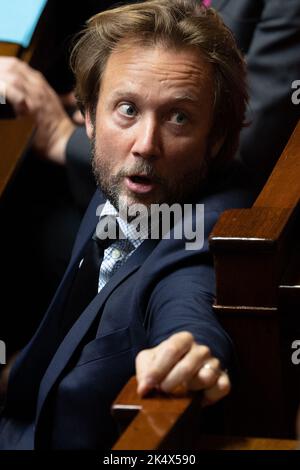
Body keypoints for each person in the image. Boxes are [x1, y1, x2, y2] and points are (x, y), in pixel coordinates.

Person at [0, 0, 251, 449]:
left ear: (215, 139)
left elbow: (190, 302)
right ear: (90, 117)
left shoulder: (201, 229)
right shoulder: (126, 180)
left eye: (179, 117)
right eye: (128, 110)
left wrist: (193, 352)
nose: (146, 144)